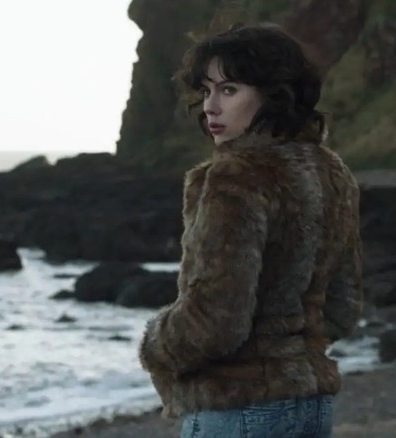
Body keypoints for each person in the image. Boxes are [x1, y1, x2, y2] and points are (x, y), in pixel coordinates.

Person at [138, 22, 364, 438]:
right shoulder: (332, 173)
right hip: (310, 406)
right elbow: (343, 306)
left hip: (238, 409)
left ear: (273, 94)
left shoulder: (236, 177)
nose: (211, 106)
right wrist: (290, 349)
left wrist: (156, 346)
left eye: (229, 90)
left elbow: (216, 321)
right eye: (206, 91)